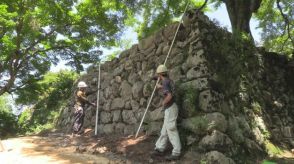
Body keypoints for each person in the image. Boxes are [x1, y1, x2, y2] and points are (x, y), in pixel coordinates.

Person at [151, 65, 181, 160]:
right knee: (164, 130)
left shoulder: (165, 82)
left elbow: (169, 96)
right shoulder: (168, 81)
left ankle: (176, 152)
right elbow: (166, 87)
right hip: (171, 108)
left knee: (171, 129)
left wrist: (162, 103)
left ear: (160, 74)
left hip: (171, 108)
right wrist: (159, 86)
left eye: (158, 75)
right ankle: (160, 148)